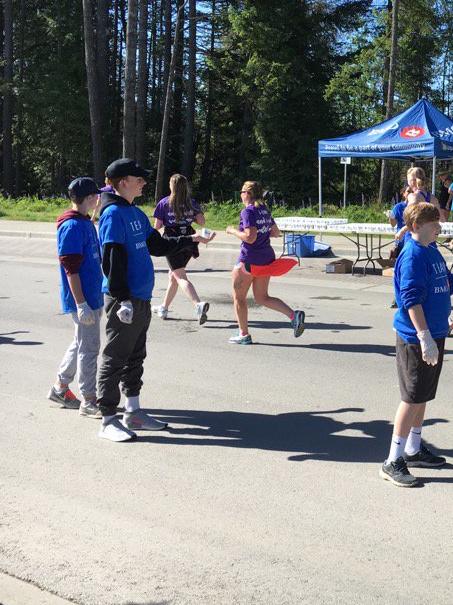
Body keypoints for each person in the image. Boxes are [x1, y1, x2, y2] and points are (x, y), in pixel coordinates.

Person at [380, 202, 453, 487]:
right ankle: (392, 460)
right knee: (411, 397)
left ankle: (413, 449)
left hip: (434, 334)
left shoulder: (431, 249)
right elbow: (411, 300)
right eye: (435, 224)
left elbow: (450, 286)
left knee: (422, 394)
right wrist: (423, 336)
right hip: (415, 338)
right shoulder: (412, 255)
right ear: (416, 226)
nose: (440, 228)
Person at [97, 158, 211, 442]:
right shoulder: (112, 214)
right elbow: (111, 258)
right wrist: (122, 298)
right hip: (124, 299)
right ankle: (107, 420)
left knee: (136, 357)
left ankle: (133, 412)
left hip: (141, 297)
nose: (144, 183)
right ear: (123, 182)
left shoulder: (134, 212)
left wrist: (191, 238)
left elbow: (157, 245)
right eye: (139, 179)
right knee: (115, 358)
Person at [49, 177, 104, 418]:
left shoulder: (84, 221)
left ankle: (60, 388)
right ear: (90, 198)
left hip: (93, 294)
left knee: (80, 342)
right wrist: (81, 304)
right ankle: (89, 400)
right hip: (84, 298)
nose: (99, 199)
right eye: (96, 196)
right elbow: (71, 269)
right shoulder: (71, 226)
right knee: (89, 349)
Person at [226, 181, 306, 345]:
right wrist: (261, 233)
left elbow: (250, 238)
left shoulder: (248, 211)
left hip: (249, 260)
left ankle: (243, 334)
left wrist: (233, 231)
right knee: (262, 297)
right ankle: (293, 315)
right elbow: (275, 232)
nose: (240, 195)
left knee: (239, 298)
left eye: (241, 192)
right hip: (266, 259)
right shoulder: (264, 210)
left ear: (247, 194)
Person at [152, 174, 210, 324]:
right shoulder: (192, 203)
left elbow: (156, 227)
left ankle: (198, 305)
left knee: (180, 277)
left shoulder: (164, 203)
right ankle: (164, 308)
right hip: (190, 241)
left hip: (172, 242)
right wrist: (190, 217)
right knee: (173, 275)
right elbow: (202, 222)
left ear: (171, 186)